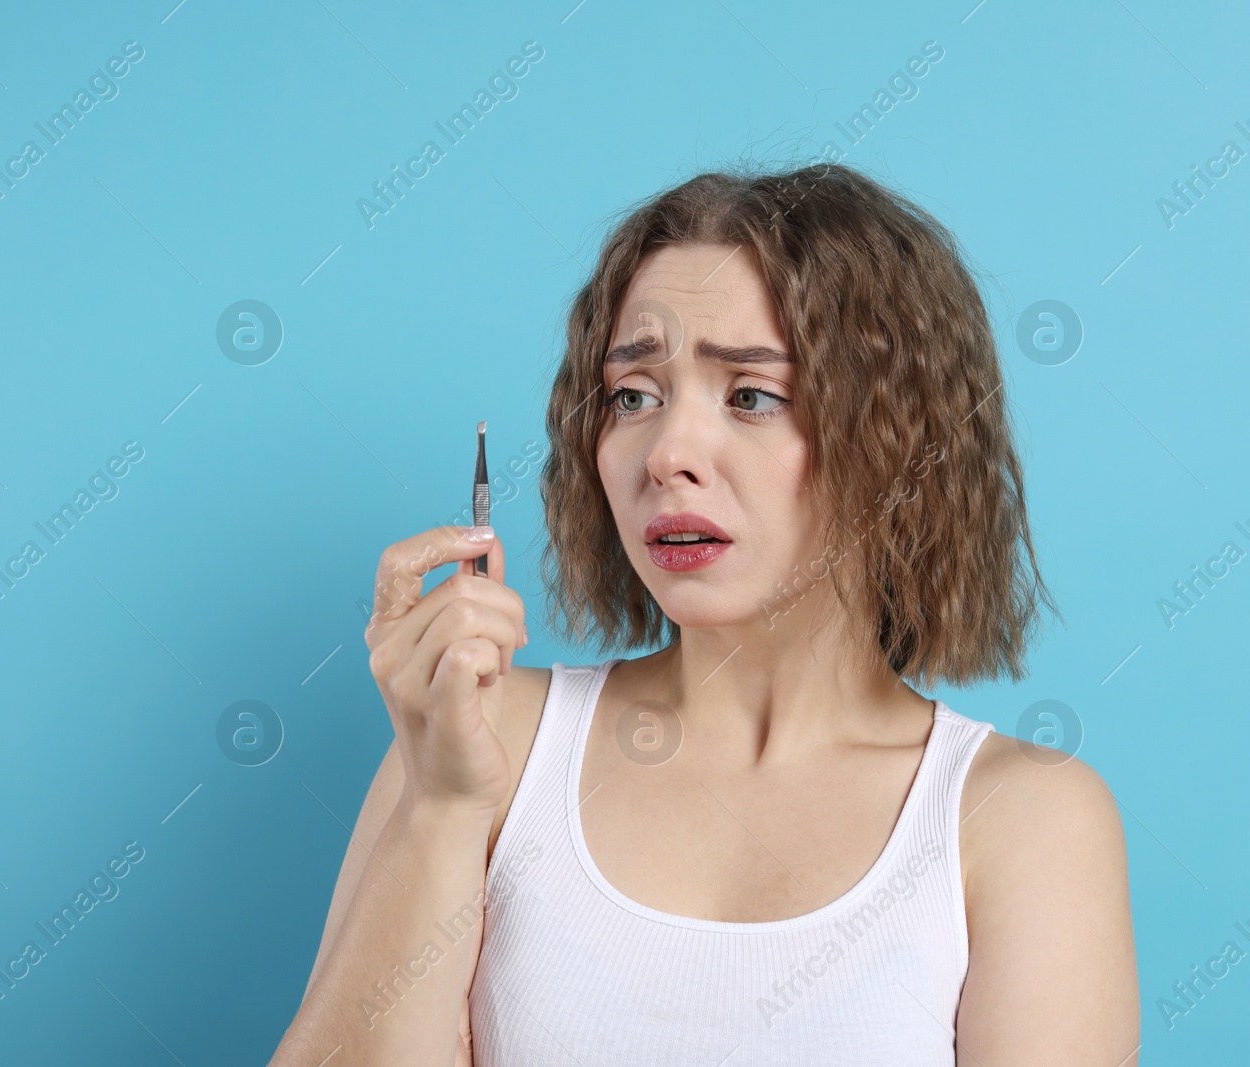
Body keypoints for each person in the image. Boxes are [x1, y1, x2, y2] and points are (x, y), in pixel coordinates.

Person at [268, 163, 1139, 1066]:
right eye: (632, 396)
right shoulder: (481, 742)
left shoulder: (1021, 818)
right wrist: (444, 807)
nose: (666, 453)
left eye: (751, 396)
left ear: (895, 442)